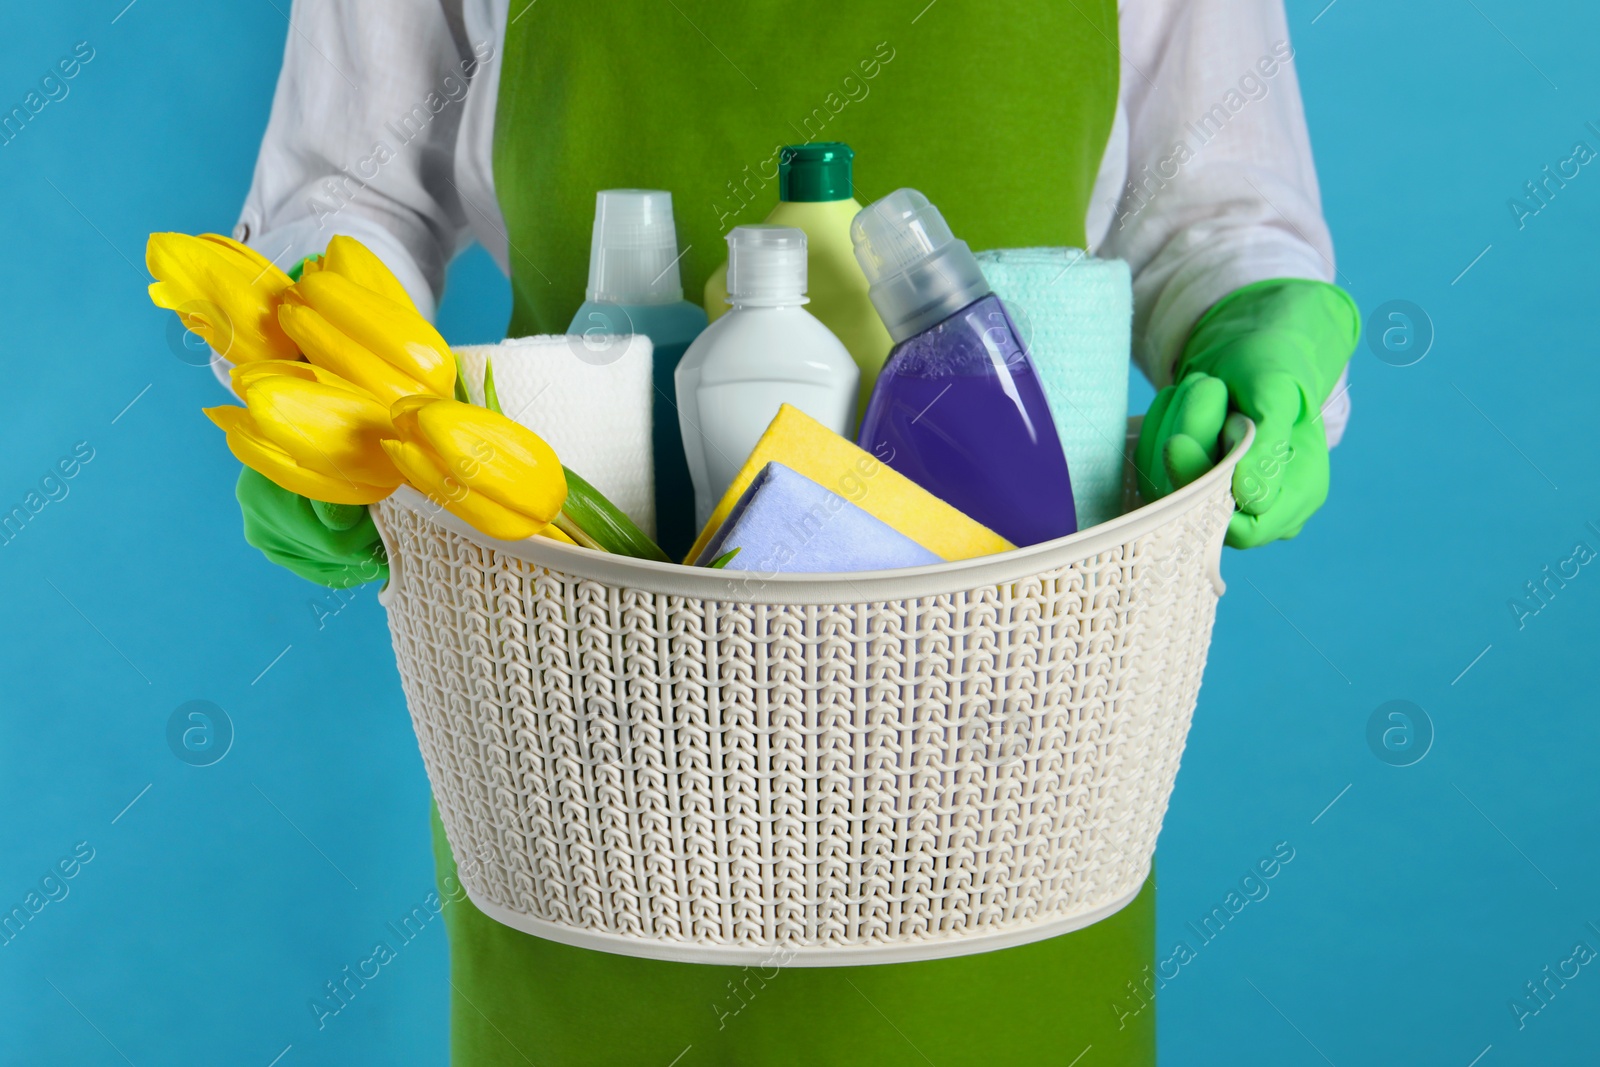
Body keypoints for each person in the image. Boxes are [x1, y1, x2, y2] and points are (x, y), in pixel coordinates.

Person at [228, 1, 1359, 1062]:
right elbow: (351, 185)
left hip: (1005, 768)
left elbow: (1213, 208)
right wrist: (316, 362)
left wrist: (1261, 339)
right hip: (592, 752)